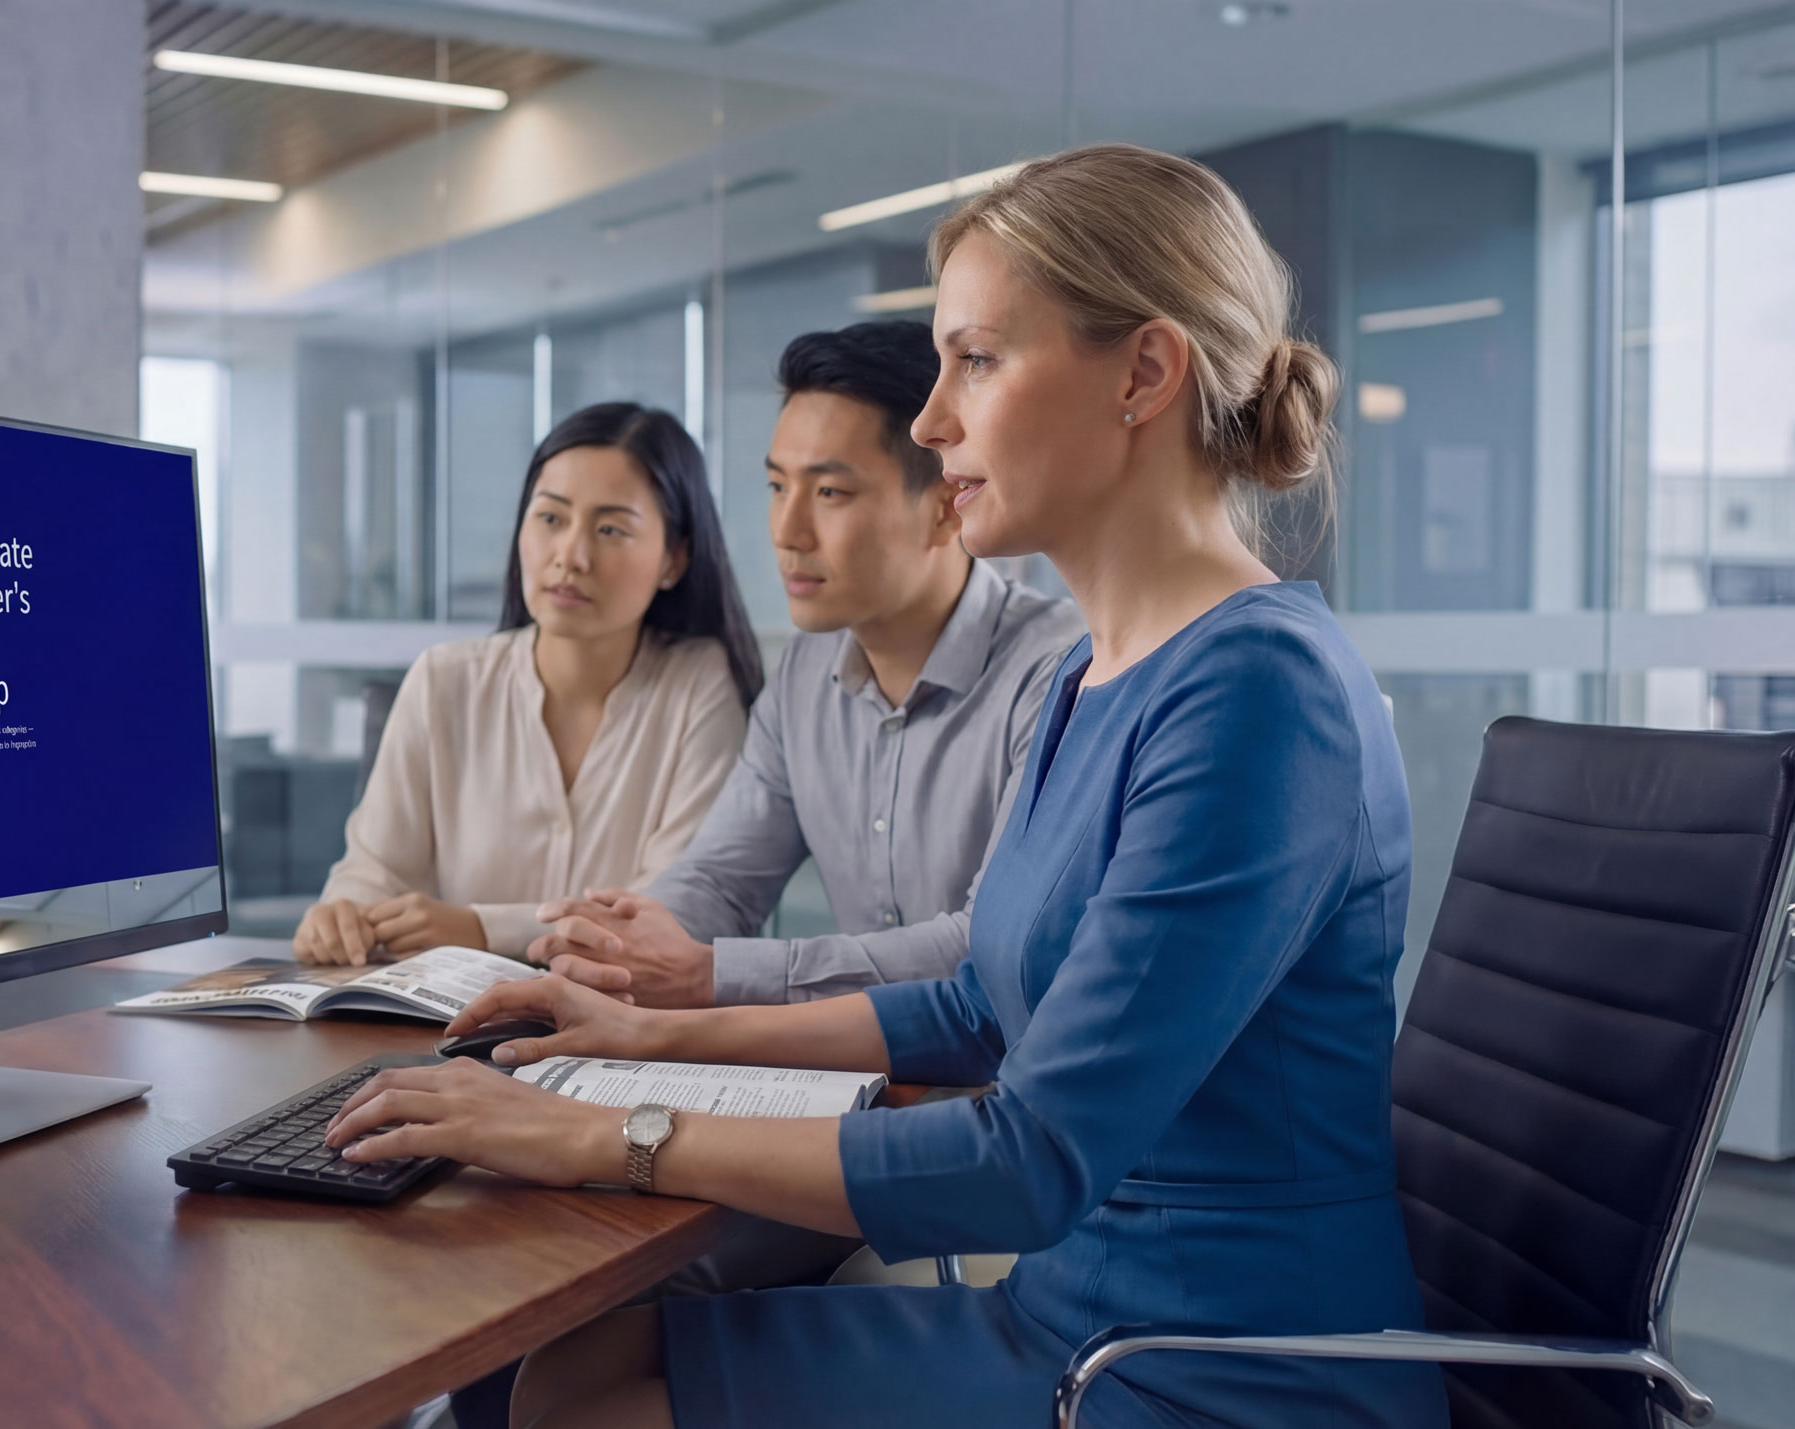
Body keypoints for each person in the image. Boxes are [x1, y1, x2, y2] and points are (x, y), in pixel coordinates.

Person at [321, 143, 1445, 1429]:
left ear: (1143, 372)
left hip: (1210, 1367)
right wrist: (648, 1034)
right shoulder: (1101, 668)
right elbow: (976, 1000)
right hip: (1070, 1314)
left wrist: (600, 1130)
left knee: (586, 1408)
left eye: (976, 359)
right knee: (567, 1369)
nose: (931, 421)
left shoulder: (1259, 692)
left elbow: (1032, 1158)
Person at [526, 321, 1083, 1010]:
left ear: (946, 506)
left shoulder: (1057, 672)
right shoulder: (804, 673)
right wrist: (619, 948)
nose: (786, 533)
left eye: (829, 494)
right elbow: (722, 880)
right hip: (856, 1076)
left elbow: (986, 945)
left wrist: (712, 973)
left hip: (998, 1094)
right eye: (776, 486)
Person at [293, 402, 764, 966]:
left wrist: (481, 928)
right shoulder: (446, 679)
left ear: (674, 559)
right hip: (439, 1029)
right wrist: (343, 915)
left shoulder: (700, 686)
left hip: (627, 1033)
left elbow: (670, 912)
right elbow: (373, 872)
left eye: (611, 529)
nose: (571, 556)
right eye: (550, 518)